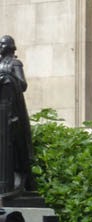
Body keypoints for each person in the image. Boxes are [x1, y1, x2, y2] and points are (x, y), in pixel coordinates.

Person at [0, 35, 35, 192]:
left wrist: (8, 77)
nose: (0, 47)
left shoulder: (15, 63)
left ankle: (18, 179)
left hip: (13, 111)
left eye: (2, 44)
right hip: (1, 111)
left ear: (10, 47)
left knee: (14, 146)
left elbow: (22, 85)